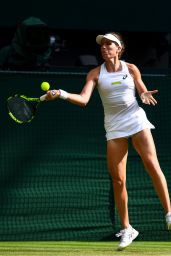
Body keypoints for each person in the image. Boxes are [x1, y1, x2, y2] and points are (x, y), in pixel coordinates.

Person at [45, 32, 171, 250]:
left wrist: (143, 94)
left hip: (135, 119)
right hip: (113, 127)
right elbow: (84, 99)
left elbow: (141, 88)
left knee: (151, 164)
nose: (104, 48)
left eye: (109, 44)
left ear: (119, 48)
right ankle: (127, 228)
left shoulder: (130, 68)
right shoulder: (95, 73)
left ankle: (169, 212)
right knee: (118, 180)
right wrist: (62, 94)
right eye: (102, 45)